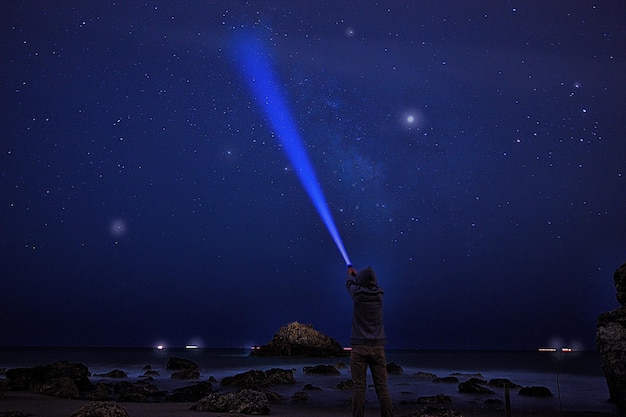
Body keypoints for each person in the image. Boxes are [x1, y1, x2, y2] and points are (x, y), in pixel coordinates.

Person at [346, 265, 393, 417]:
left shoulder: (357, 295)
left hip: (359, 347)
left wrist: (351, 274)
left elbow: (349, 284)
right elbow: (369, 284)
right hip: (378, 347)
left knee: (359, 387)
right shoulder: (380, 295)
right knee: (382, 387)